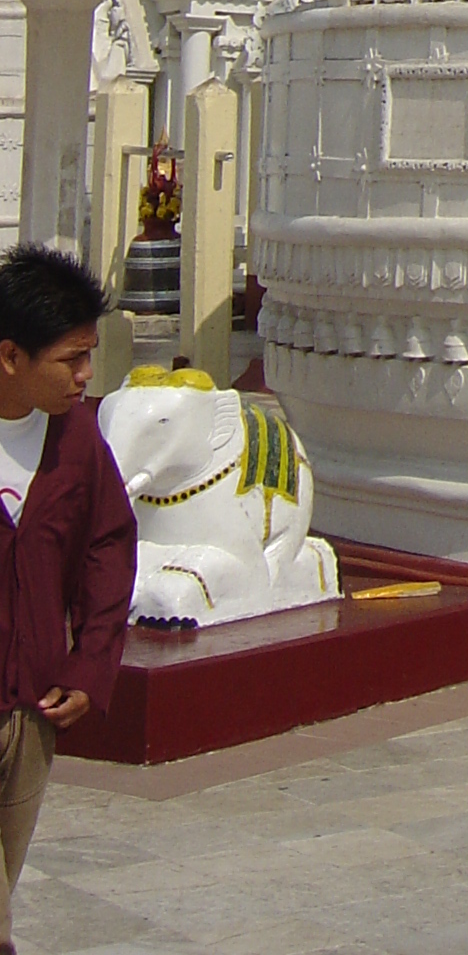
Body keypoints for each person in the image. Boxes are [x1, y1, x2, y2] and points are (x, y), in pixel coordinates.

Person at [0, 245, 136, 955]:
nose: (86, 377)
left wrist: (91, 665)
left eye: (89, 356)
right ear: (10, 357)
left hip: (30, 714)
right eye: (71, 360)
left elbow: (107, 547)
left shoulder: (77, 438)